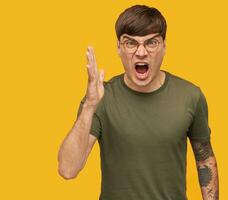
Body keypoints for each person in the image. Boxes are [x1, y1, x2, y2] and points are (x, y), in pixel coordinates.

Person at [57, 4, 219, 200]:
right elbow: (67, 169)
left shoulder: (190, 95)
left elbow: (204, 158)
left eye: (151, 42)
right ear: (118, 47)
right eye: (131, 43)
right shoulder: (101, 97)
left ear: (164, 46)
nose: (141, 52)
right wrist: (90, 105)